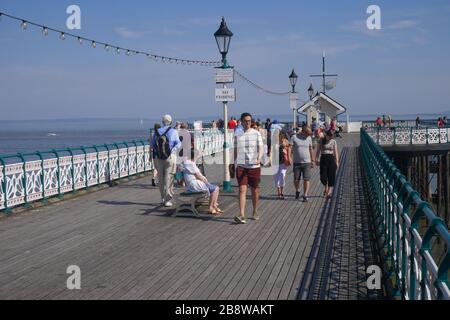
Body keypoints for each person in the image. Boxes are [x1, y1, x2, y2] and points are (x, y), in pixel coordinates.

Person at [233, 112, 264, 224]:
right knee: (242, 189)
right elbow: (235, 149)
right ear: (241, 121)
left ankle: (255, 210)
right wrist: (233, 162)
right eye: (245, 121)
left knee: (255, 190)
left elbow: (260, 148)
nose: (247, 123)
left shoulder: (256, 133)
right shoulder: (237, 134)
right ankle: (242, 214)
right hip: (241, 166)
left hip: (254, 166)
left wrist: (259, 158)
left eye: (249, 121)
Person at [151, 114, 182, 207]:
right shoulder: (173, 131)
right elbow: (178, 144)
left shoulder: (156, 132)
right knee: (169, 178)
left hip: (158, 158)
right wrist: (172, 150)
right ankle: (168, 200)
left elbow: (152, 145)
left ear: (162, 122)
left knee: (160, 179)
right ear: (171, 122)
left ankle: (162, 198)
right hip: (170, 157)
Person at [182, 149, 223, 216]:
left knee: (216, 188)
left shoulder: (190, 162)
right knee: (215, 189)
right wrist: (207, 183)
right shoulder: (189, 163)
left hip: (195, 183)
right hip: (194, 184)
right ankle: (210, 208)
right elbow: (198, 176)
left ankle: (214, 206)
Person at [291, 124, 315, 202]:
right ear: (303, 131)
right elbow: (289, 148)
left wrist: (313, 160)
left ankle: (305, 195)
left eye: (309, 134)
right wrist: (289, 158)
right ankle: (297, 190)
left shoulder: (309, 138)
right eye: (307, 133)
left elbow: (311, 149)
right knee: (296, 179)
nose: (308, 135)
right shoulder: (294, 137)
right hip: (297, 162)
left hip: (307, 162)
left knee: (306, 179)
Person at [316, 130, 339, 200]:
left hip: (331, 159)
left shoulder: (333, 141)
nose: (331, 138)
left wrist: (337, 161)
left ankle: (329, 192)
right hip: (323, 158)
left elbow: (336, 152)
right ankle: (325, 186)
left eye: (332, 136)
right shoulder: (321, 141)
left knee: (331, 175)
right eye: (330, 136)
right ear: (326, 135)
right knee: (323, 177)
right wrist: (316, 159)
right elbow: (318, 151)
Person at [274, 132, 292, 200]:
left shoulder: (286, 141)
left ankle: (282, 192)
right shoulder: (274, 142)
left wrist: (286, 149)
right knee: (276, 178)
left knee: (282, 176)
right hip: (275, 162)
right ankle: (279, 193)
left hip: (283, 162)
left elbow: (290, 149)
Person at [151, 123, 161, 187]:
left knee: (156, 167)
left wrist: (150, 155)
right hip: (160, 153)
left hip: (154, 152)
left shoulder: (154, 135)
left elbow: (151, 145)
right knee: (160, 167)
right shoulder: (161, 134)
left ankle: (153, 178)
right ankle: (160, 181)